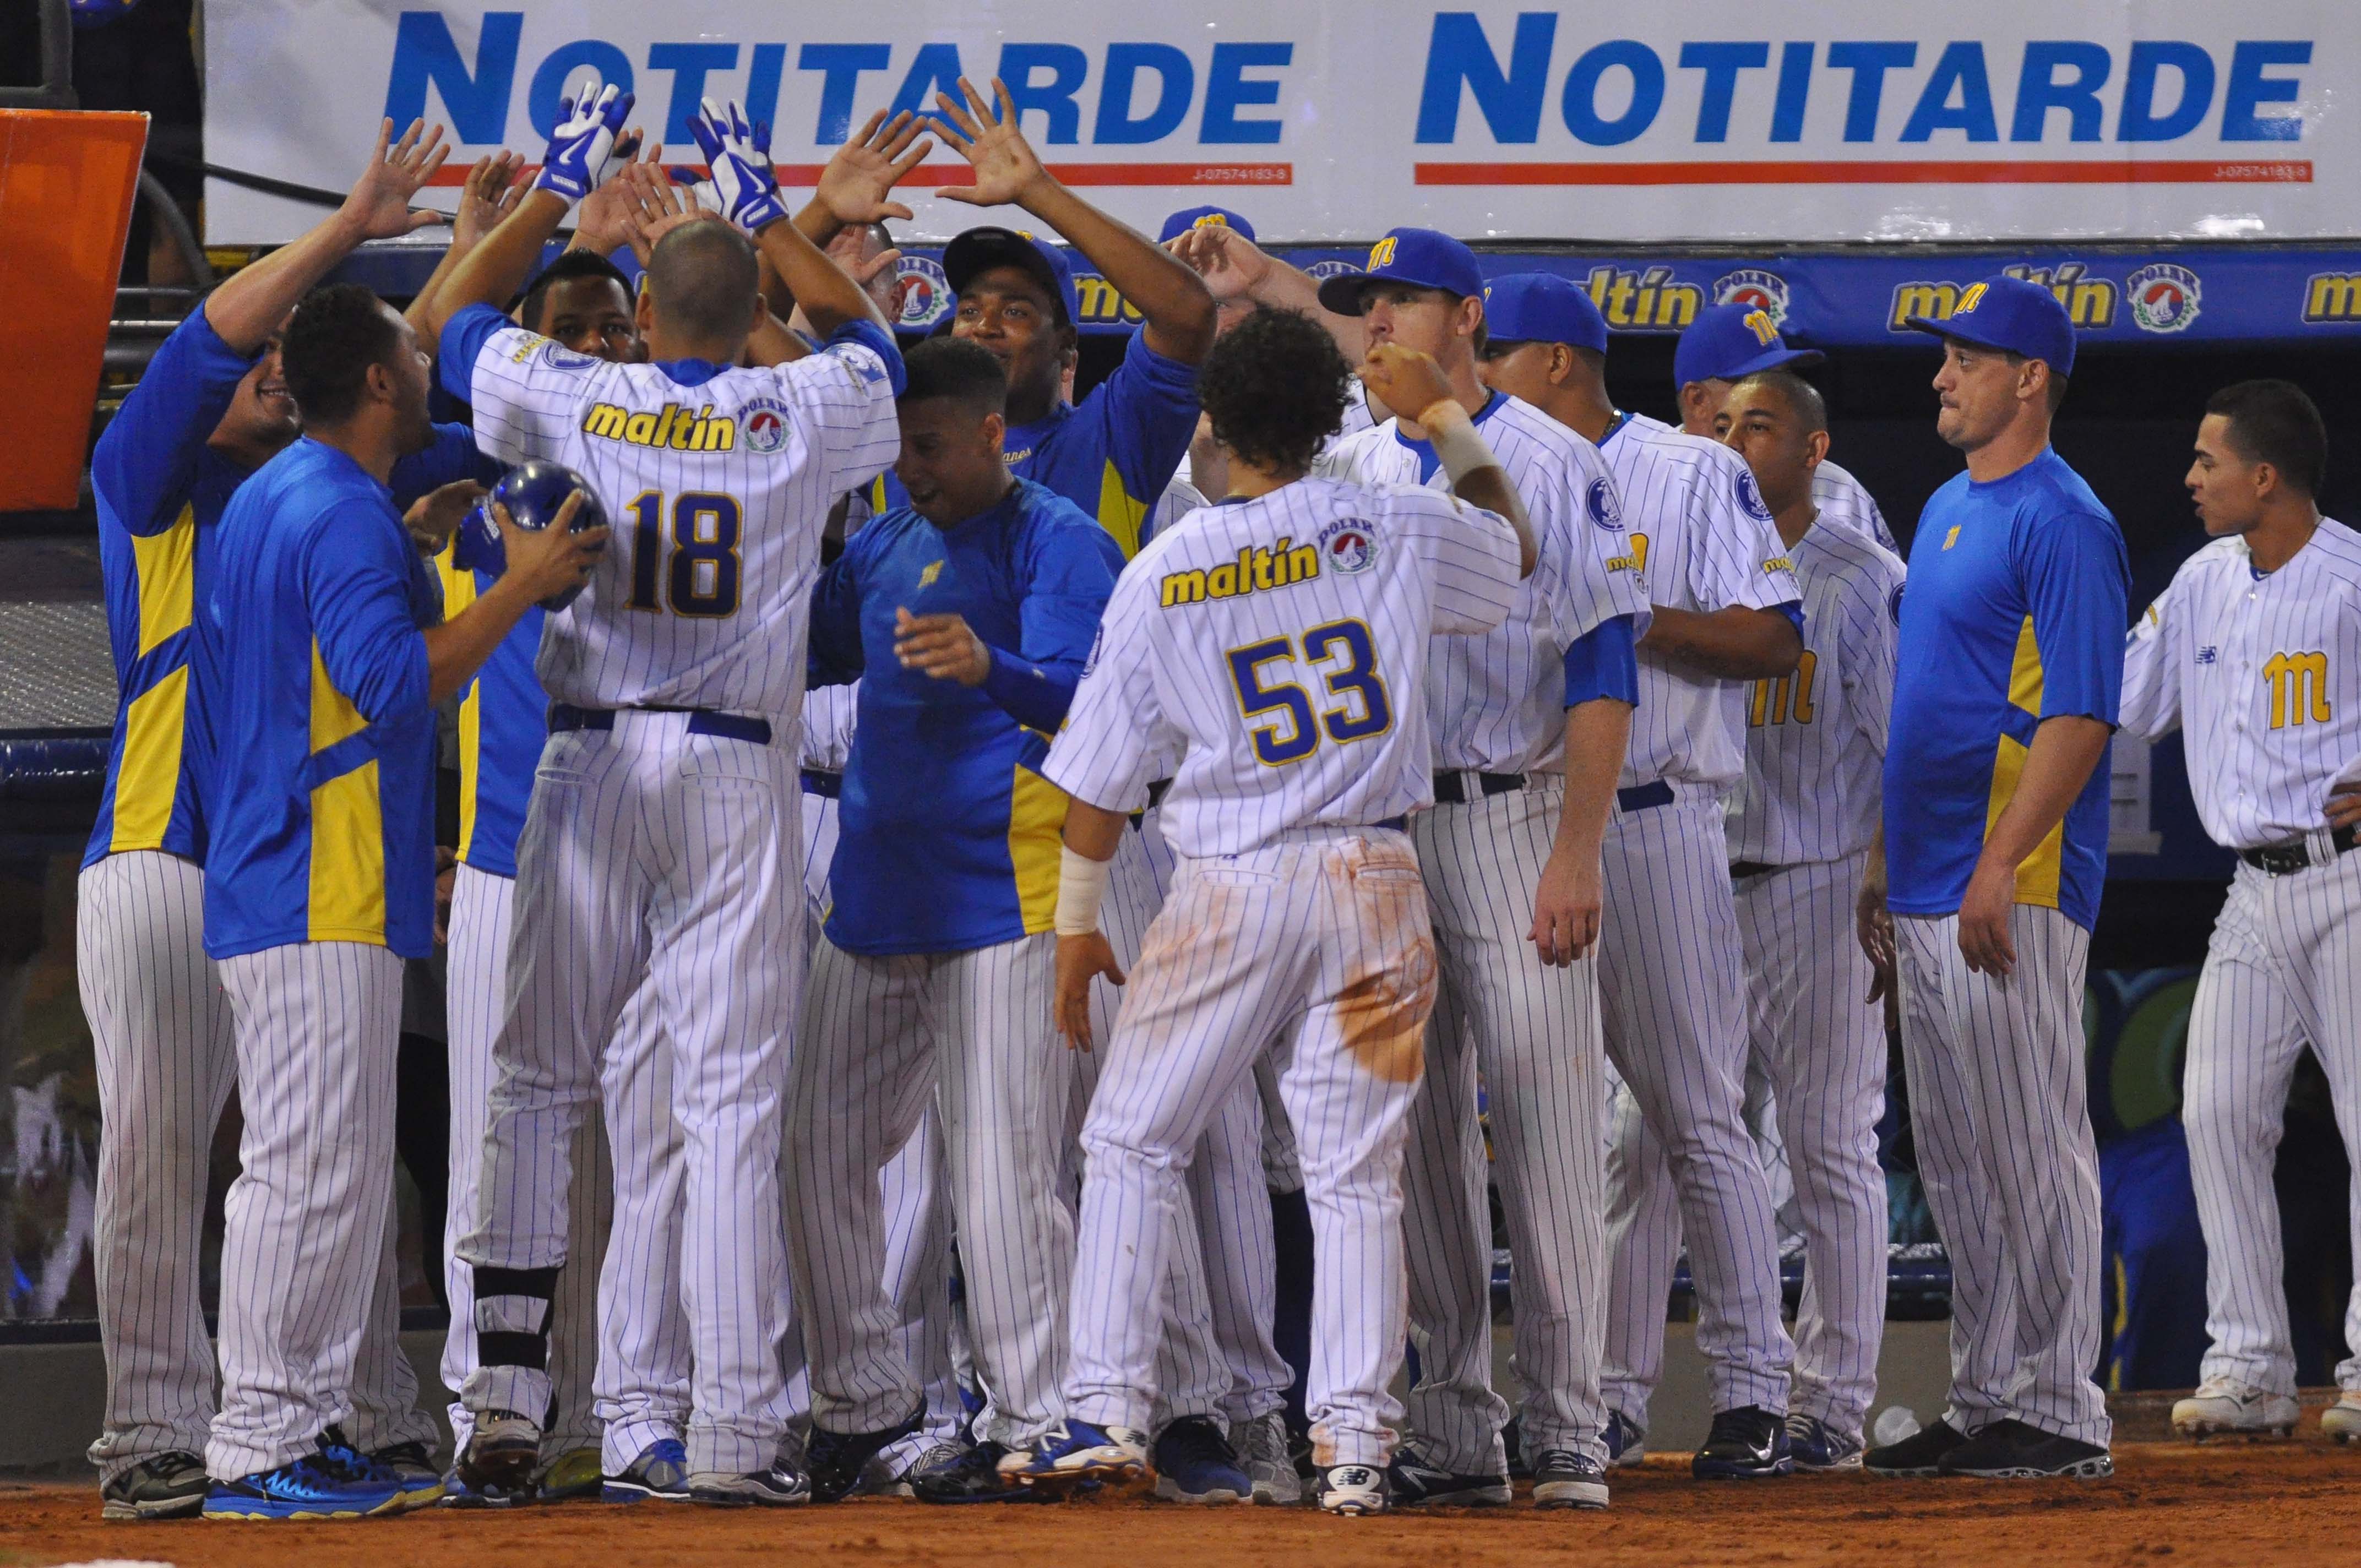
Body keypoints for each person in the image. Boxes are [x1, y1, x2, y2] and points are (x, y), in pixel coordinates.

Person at [422, 88, 904, 1506]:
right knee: (731, 1099)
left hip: (585, 757)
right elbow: (871, 339)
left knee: (536, 1081)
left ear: (639, 310)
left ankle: (504, 1407)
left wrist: (559, 195)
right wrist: (762, 205)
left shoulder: (580, 389)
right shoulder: (801, 403)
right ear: (750, 301)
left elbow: (448, 319)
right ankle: (740, 1429)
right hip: (730, 770)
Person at [1009, 318, 1536, 1517]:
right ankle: (1352, 1444)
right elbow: (1512, 553)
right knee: (1357, 1172)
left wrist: (1080, 922)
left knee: (1135, 1139)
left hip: (1231, 884)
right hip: (1375, 877)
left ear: (1216, 423)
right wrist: (1446, 416)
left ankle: (1102, 1410)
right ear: (1320, 423)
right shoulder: (1391, 520)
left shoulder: (1166, 566)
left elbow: (1094, 784)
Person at [74, 118, 480, 1521]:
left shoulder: (306, 495)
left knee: (322, 1141)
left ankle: (344, 1406)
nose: (261, 370)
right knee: (164, 1146)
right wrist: (361, 217)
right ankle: (154, 1429)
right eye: (245, 369)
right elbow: (228, 335)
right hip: (159, 856)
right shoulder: (152, 485)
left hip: (280, 853)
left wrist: (500, 238)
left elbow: (377, 361)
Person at [191, 282, 604, 1518]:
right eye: (413, 349)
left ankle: (298, 1422)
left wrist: (419, 548)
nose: (429, 359)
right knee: (309, 1174)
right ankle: (260, 1436)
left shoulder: (285, 494)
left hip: (280, 868)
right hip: (320, 880)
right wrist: (519, 584)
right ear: (378, 383)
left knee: (316, 1168)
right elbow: (393, 686)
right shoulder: (336, 513)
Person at [1305, 246, 1646, 1510]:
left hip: (1514, 815)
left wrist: (1576, 849)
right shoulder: (1343, 461)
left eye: (1397, 299)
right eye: (1362, 302)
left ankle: (1565, 1424)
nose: (1376, 317)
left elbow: (1604, 661)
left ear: (1466, 316)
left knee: (1551, 1133)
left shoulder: (1557, 460)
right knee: (1421, 1143)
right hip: (1388, 828)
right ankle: (1455, 1425)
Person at [782, 336, 1130, 1500]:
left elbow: (1094, 697)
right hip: (876, 893)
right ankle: (863, 1402)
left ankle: (1038, 1418)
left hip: (1002, 893)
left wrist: (991, 666)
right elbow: (802, 649)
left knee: (999, 1175)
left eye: (926, 445)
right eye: (895, 446)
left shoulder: (1058, 539)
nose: (908, 467)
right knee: (814, 1151)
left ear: (991, 431)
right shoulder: (881, 538)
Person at [1471, 274, 1805, 1478]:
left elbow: (1773, 637)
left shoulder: (1687, 465)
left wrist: (1618, 613)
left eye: (1498, 351)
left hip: (1655, 816)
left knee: (1695, 1113)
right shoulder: (1464, 465)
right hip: (1514, 822)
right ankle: (1591, 1396)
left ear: (1556, 360)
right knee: (1558, 1131)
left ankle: (1754, 1390)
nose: (1482, 369)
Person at [1861, 274, 2126, 1481]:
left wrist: (1998, 860)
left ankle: (2061, 1403)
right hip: (1923, 875)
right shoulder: (1941, 505)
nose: (1939, 376)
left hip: (2002, 882)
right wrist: (1881, 855)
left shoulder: (2063, 518)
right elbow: (1923, 704)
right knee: (1960, 1156)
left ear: (2028, 376)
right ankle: (1984, 1394)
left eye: (1963, 358)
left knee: (2032, 1143)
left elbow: (2077, 716)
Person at [2118, 382, 2361, 1444]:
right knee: (2215, 1115)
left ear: (2263, 476)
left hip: (2348, 875)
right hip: (2249, 891)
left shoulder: (2351, 575)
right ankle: (2251, 1366)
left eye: (2206, 460)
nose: (2190, 476)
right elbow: (2128, 705)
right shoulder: (2201, 577)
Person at [1713, 371, 1906, 1469]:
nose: (1739, 440)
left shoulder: (1862, 577)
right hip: (1702, 878)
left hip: (1818, 878)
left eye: (1763, 425)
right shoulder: (1695, 562)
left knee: (1827, 1143)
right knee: (1665, 1141)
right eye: (1727, 423)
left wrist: (1880, 872)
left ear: (1814, 446)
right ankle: (1647, 1392)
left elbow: (1899, 744)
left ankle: (1830, 1402)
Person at [1672, 305, 1896, 552]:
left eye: (1780, 378)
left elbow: (1882, 584)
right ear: (1697, 400)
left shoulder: (1836, 488)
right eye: (1753, 381)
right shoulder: (1644, 480)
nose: (1773, 393)